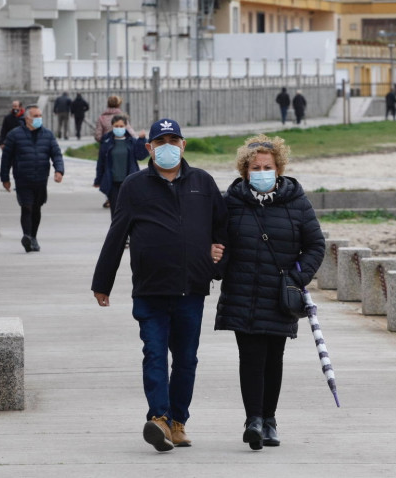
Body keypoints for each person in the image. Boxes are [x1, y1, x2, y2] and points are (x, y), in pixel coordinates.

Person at [91, 118, 227, 453]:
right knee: (154, 353)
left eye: (173, 140)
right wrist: (102, 282)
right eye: (160, 141)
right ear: (149, 148)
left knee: (186, 359)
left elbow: (223, 232)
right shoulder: (135, 186)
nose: (167, 146)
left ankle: (177, 422)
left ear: (183, 145)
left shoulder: (203, 183)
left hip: (191, 288)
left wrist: (217, 265)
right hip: (150, 289)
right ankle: (159, 417)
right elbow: (117, 234)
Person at [212, 134, 325, 451]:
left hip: (280, 296)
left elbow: (315, 245)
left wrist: (297, 277)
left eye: (267, 166)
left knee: (273, 359)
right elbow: (220, 244)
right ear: (245, 171)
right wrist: (215, 261)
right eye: (255, 167)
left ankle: (270, 419)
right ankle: (253, 421)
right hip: (242, 293)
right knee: (250, 358)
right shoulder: (231, 202)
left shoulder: (297, 201)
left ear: (279, 168)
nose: (261, 171)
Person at [0, 105, 64, 253]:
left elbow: (56, 154)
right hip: (23, 178)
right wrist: (5, 178)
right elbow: (6, 158)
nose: (38, 118)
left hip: (41, 179)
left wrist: (59, 170)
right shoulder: (14, 135)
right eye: (35, 116)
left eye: (40, 115)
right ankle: (27, 237)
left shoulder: (47, 135)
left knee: (36, 208)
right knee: (26, 207)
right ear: (27, 118)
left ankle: (33, 237)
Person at [94, 114, 148, 219]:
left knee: (129, 210)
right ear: (112, 126)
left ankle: (128, 233)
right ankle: (116, 234)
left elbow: (141, 156)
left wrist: (142, 140)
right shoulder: (106, 141)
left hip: (129, 182)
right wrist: (98, 179)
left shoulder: (131, 141)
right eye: (116, 126)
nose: (119, 128)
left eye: (121, 126)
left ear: (126, 126)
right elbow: (101, 161)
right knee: (115, 212)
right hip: (112, 182)